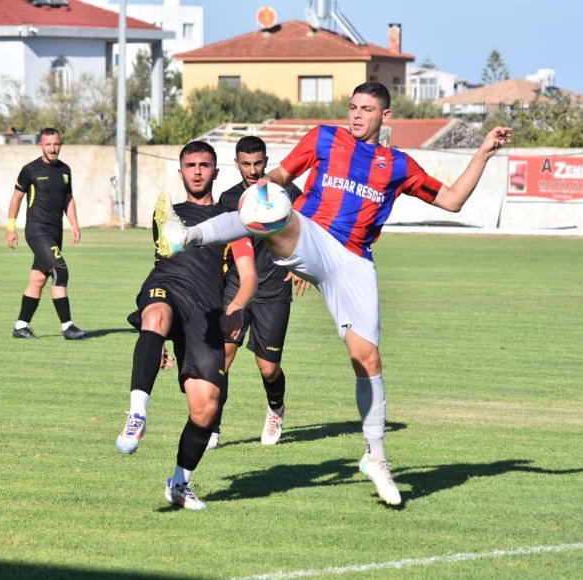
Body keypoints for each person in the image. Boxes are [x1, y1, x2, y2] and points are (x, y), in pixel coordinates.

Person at [154, 82, 513, 506]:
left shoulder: (398, 164)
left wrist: (484, 152)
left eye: (366, 109)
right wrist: (253, 198)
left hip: (354, 262)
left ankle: (376, 458)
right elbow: (278, 179)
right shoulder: (325, 138)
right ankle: (186, 234)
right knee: (272, 211)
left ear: (386, 116)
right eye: (353, 107)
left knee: (368, 357)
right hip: (313, 235)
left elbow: (452, 200)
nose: (357, 115)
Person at [115, 141, 255, 510]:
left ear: (216, 171)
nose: (197, 171)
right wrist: (155, 340)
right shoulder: (168, 213)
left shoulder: (232, 220)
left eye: (204, 165)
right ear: (181, 172)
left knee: (206, 407)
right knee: (155, 315)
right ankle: (136, 413)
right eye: (190, 165)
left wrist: (237, 307)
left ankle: (179, 483)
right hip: (167, 288)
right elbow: (164, 264)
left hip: (206, 312)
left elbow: (248, 274)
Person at [207, 135, 306, 450]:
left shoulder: (286, 193)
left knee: (268, 367)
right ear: (236, 164)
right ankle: (211, 423)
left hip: (274, 287)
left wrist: (302, 263)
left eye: (258, 163)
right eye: (246, 164)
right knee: (222, 356)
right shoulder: (226, 199)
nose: (252, 170)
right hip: (236, 285)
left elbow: (313, 226)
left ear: (266, 161)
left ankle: (276, 407)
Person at [6, 127, 87, 340]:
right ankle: (68, 327)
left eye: (56, 144)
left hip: (55, 233)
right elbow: (16, 198)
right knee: (60, 271)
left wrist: (75, 224)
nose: (53, 148)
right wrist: (11, 228)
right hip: (37, 231)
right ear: (40, 145)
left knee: (38, 279)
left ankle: (21, 326)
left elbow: (68, 199)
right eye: (49, 144)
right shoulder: (30, 170)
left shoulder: (65, 170)